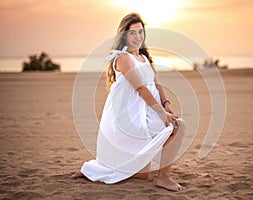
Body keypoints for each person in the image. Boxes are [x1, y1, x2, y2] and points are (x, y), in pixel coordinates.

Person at [71, 13, 186, 192]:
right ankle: (163, 177)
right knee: (177, 128)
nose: (138, 37)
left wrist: (166, 104)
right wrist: (161, 113)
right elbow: (140, 88)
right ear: (124, 35)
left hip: (147, 110)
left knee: (145, 170)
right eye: (132, 33)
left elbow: (155, 83)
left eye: (141, 32)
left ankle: (97, 170)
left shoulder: (144, 58)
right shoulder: (124, 58)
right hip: (129, 116)